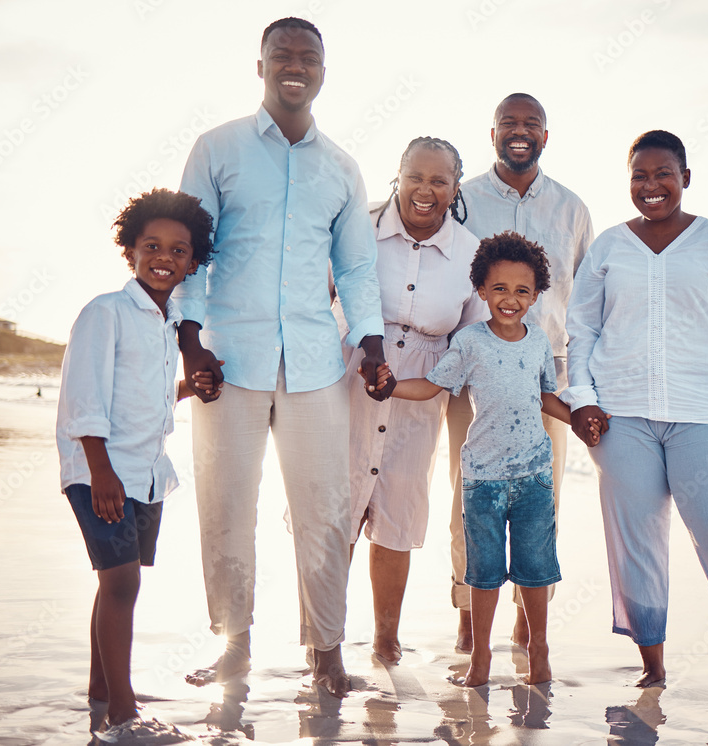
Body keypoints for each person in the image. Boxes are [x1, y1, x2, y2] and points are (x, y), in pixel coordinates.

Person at [172, 17, 390, 698]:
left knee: (325, 505)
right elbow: (187, 251)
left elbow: (355, 268)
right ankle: (234, 642)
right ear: (260, 65)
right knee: (227, 500)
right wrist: (190, 341)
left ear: (324, 71)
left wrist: (372, 342)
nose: (296, 66)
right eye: (283, 55)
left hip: (317, 362)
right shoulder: (217, 148)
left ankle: (325, 650)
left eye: (309, 57)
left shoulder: (342, 168)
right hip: (228, 360)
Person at [563, 130, 708, 703]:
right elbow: (582, 329)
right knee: (635, 538)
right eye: (640, 175)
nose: (651, 185)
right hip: (621, 417)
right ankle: (653, 666)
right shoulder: (610, 248)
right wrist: (583, 397)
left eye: (664, 173)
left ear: (685, 178)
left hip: (706, 414)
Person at [365, 233, 602, 687]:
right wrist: (392, 386)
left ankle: (539, 650)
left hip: (534, 474)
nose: (509, 299)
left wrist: (578, 420)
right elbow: (433, 385)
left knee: (535, 570)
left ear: (535, 295)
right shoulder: (470, 342)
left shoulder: (539, 342)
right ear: (480, 290)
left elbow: (545, 395)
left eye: (520, 291)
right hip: (482, 479)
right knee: (485, 572)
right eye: (499, 289)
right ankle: (480, 658)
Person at [56, 188, 216, 734]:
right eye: (152, 245)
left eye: (178, 250)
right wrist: (100, 472)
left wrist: (187, 389)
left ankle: (103, 690)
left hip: (147, 474)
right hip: (100, 472)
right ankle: (124, 711)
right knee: (123, 583)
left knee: (114, 583)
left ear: (193, 262)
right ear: (130, 249)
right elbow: (85, 399)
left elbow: (141, 396)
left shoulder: (168, 324)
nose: (164, 258)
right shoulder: (106, 312)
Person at [447, 92, 594, 651]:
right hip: (475, 367)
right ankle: (467, 609)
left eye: (531, 123)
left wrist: (581, 387)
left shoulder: (572, 208)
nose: (519, 131)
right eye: (509, 122)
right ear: (492, 134)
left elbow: (585, 303)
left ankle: (528, 623)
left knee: (542, 496)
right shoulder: (463, 200)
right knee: (469, 492)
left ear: (545, 136)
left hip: (545, 369)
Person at [338, 136, 486, 663]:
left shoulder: (471, 252)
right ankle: (324, 638)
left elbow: (472, 337)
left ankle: (385, 640)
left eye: (439, 181)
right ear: (397, 176)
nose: (426, 190)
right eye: (415, 177)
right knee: (340, 506)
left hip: (423, 385)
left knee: (397, 510)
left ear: (455, 188)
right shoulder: (359, 228)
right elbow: (325, 293)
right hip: (351, 370)